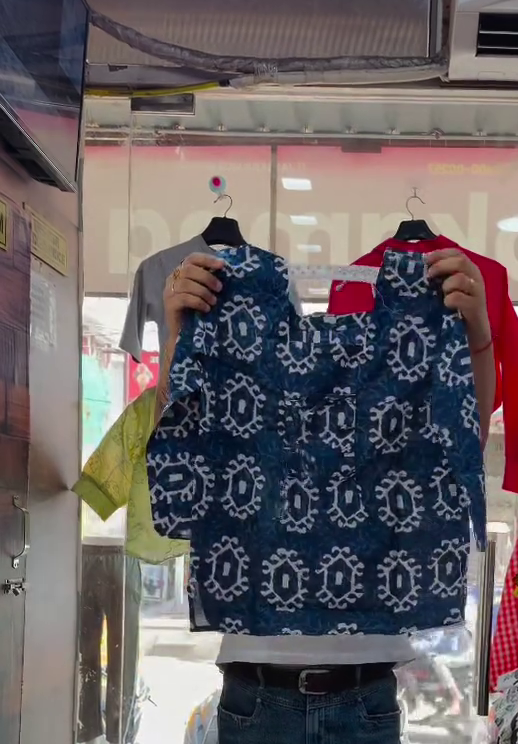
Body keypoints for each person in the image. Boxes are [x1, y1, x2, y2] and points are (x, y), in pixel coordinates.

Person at [155, 248, 495, 744]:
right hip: (254, 694)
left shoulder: (406, 353)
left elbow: (467, 434)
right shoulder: (233, 335)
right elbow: (187, 435)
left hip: (365, 696)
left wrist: (477, 334)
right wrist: (178, 333)